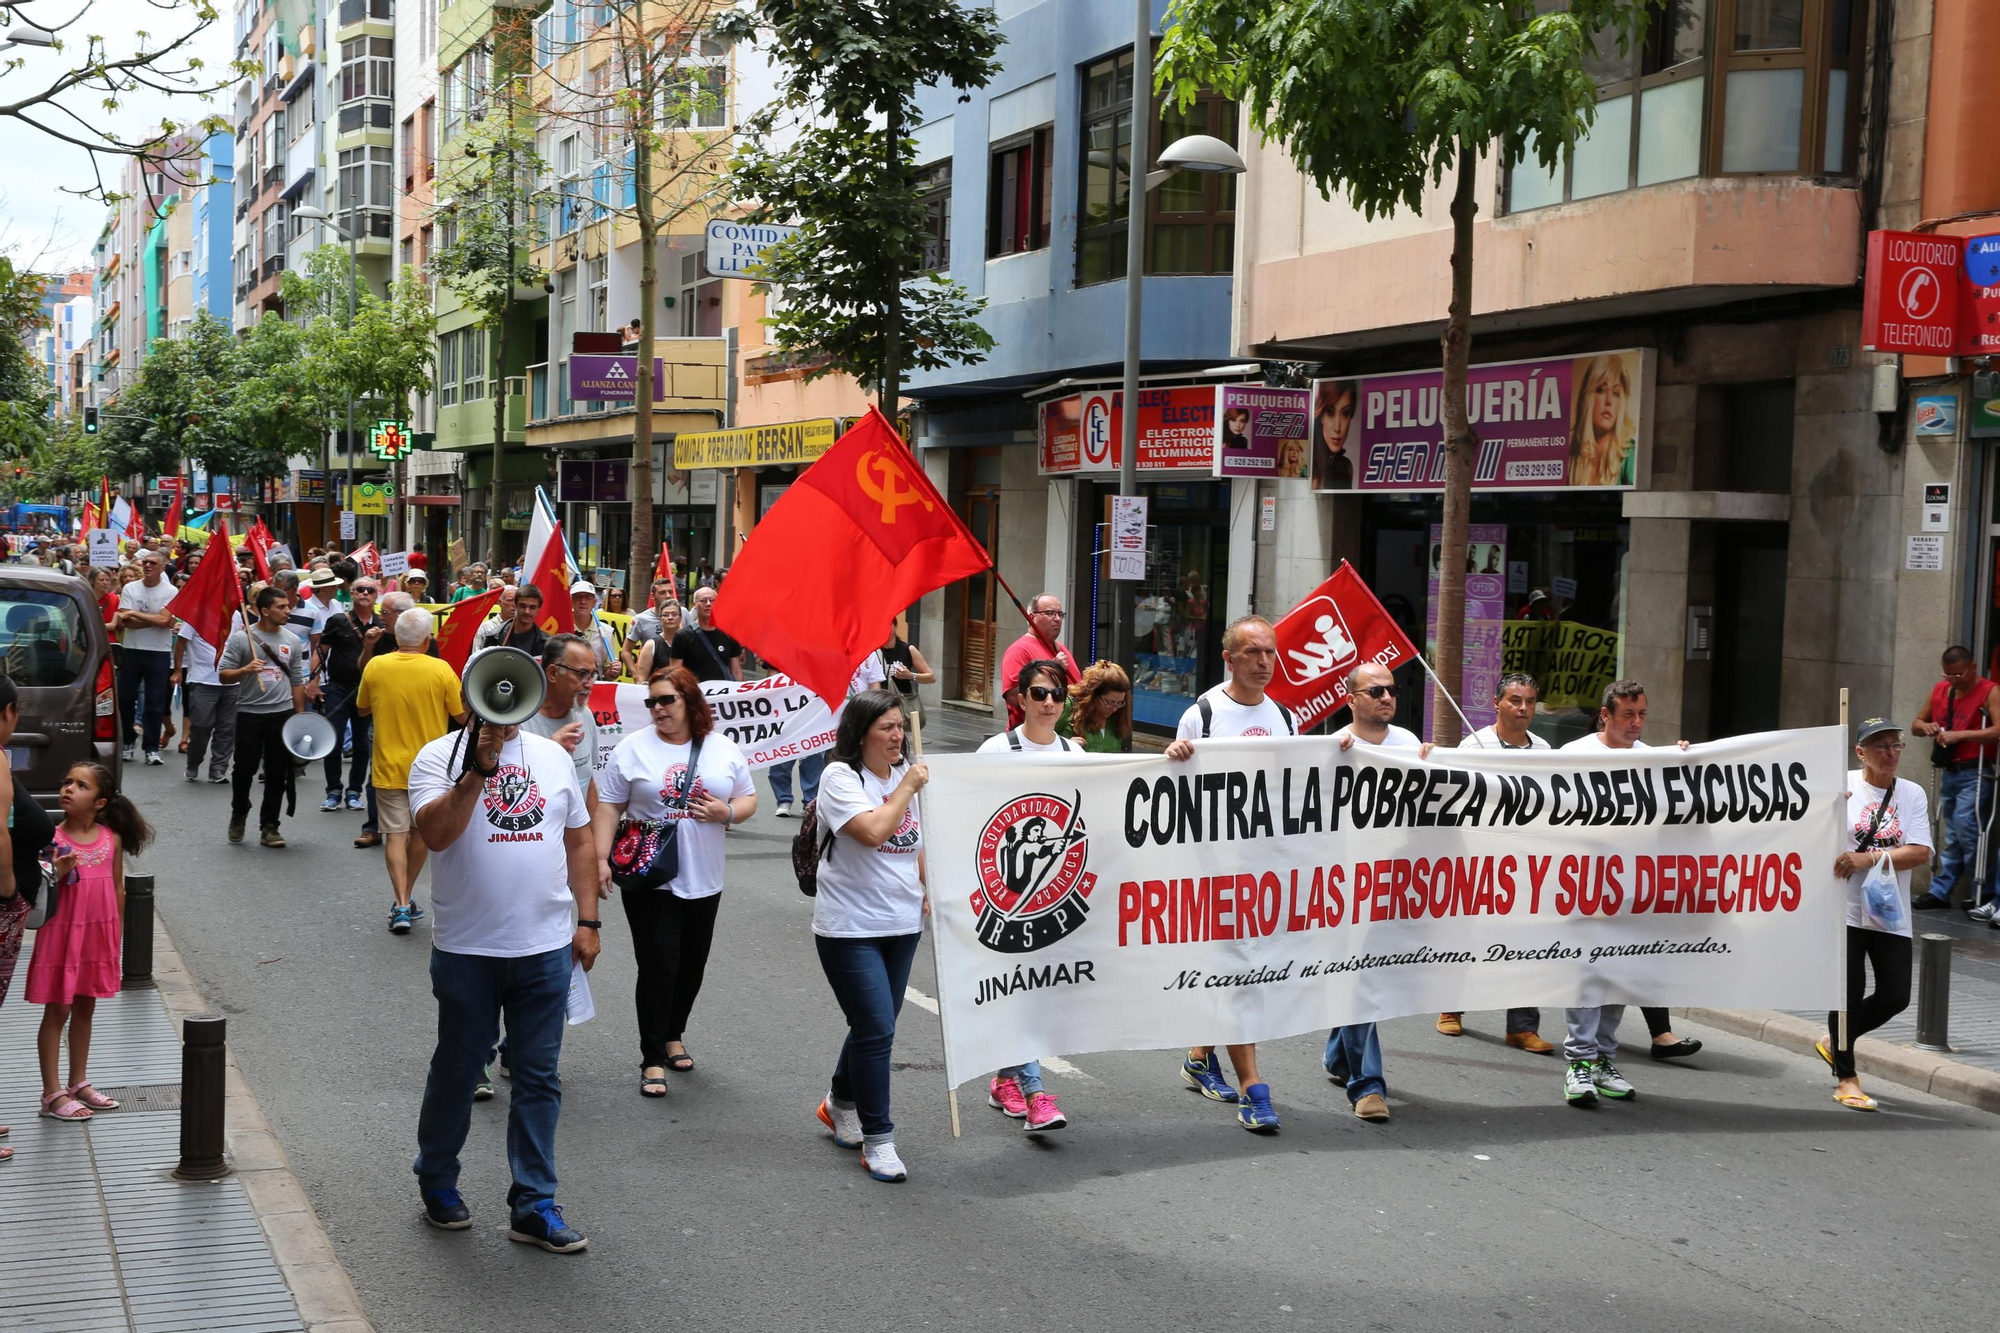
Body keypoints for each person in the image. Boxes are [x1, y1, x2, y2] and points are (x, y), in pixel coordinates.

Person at [407, 695, 599, 1252]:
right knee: (461, 1069)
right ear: (470, 698)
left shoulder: (553, 756)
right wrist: (478, 770)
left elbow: (579, 839)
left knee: (539, 1076)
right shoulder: (437, 757)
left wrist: (588, 919)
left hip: (544, 946)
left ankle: (534, 1204)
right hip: (468, 948)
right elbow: (436, 834)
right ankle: (438, 1180)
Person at [1162, 615, 1298, 1132]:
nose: (1264, 662)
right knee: (1242, 974)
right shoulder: (1202, 714)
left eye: (1270, 653)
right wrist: (1173, 760)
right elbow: (1173, 798)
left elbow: (1301, 787)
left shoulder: (1285, 718)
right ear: (1230, 658)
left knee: (1241, 969)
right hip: (1213, 874)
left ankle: (1200, 1055)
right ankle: (1253, 1088)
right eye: (1253, 653)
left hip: (1265, 872)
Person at [593, 663, 755, 1095]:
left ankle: (673, 1033)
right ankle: (651, 1057)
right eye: (651, 701)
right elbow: (609, 804)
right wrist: (600, 858)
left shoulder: (721, 747)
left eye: (667, 700)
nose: (658, 708)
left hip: (705, 874)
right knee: (659, 963)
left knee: (692, 964)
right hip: (650, 875)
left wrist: (730, 813)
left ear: (689, 701)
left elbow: (748, 796)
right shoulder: (632, 748)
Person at [1555, 678, 1698, 1105]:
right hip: (1582, 885)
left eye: (1641, 715)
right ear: (1606, 715)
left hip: (1634, 889)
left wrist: (1693, 763)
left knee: (1619, 973)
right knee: (1588, 973)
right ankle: (1579, 1063)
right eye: (1627, 715)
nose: (1636, 724)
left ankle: (1602, 1059)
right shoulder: (1573, 756)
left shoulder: (1654, 759)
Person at [809, 691, 926, 1182]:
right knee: (878, 1029)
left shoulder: (906, 776)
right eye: (887, 728)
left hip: (903, 926)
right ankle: (880, 1140)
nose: (897, 736)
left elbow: (918, 839)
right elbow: (875, 831)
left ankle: (839, 1100)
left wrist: (926, 886)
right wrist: (908, 786)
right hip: (850, 928)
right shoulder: (841, 778)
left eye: (901, 726)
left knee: (870, 1025)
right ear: (861, 734)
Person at [973, 659, 1080, 1133]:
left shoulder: (1073, 755)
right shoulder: (995, 750)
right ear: (1019, 699)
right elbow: (968, 815)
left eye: (1058, 695)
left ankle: (1004, 1079)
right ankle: (1036, 1093)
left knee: (1033, 994)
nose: (1050, 703)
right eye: (1039, 694)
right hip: (1006, 895)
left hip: (1058, 894)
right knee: (1023, 989)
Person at [1327, 661, 1435, 1122]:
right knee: (1361, 974)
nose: (1386, 697)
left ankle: (1338, 1054)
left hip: (1395, 882)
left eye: (1390, 690)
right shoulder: (1332, 747)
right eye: (1374, 691)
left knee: (1362, 974)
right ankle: (1367, 1084)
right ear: (1351, 699)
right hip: (1346, 883)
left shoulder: (1409, 745)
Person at [28, 762, 153, 1123]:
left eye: (80, 785)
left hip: (97, 936)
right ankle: (51, 1094)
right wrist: (56, 872)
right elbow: (35, 890)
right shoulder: (52, 839)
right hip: (62, 936)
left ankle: (77, 1081)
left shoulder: (109, 838)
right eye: (66, 782)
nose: (68, 789)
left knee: (85, 1008)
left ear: (100, 802)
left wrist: (118, 932)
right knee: (58, 1011)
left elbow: (116, 887)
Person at [1441, 671, 1556, 1054]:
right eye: (1515, 700)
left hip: (1526, 862)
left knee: (1526, 938)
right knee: (1467, 933)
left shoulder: (1544, 751)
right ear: (1497, 703)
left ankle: (1522, 1027)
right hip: (1479, 858)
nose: (1523, 708)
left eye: (1529, 702)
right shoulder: (1473, 747)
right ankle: (1451, 1006)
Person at [1823, 717, 1932, 1111]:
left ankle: (1833, 1040)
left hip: (1888, 911)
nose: (1889, 753)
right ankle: (1846, 1076)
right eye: (1880, 745)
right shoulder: (1842, 785)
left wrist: (1866, 858)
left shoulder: (1912, 793)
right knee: (1847, 996)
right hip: (1844, 909)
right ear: (1860, 752)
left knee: (1894, 995)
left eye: (1896, 745)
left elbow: (1919, 852)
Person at [358, 605, 466, 934]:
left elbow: (362, 710)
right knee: (419, 834)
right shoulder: (441, 669)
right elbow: (462, 717)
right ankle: (405, 900)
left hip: (388, 763)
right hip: (430, 769)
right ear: (426, 639)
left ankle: (402, 902)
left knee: (394, 834)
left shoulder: (376, 665)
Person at [1909, 646, 1998, 914]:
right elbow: (1916, 724)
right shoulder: (1940, 690)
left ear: (1972, 666)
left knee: (1967, 829)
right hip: (1949, 771)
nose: (1953, 680)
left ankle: (1984, 890)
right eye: (1948, 675)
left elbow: (1997, 730)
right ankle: (1943, 890)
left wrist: (1960, 735)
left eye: (1958, 674)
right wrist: (1926, 727)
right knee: (1953, 831)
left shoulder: (1989, 690)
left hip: (1975, 770)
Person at [219, 588, 310, 849]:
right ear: (265, 611)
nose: (288, 610)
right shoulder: (242, 639)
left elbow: (296, 680)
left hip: (281, 715)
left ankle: (270, 825)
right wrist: (245, 670)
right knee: (244, 769)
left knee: (277, 773)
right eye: (281, 607)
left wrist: (300, 717)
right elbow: (224, 674)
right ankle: (239, 811)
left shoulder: (292, 640)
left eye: (287, 606)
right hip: (249, 714)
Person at [772, 651, 885, 817]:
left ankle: (815, 801)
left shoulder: (869, 654)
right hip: (820, 712)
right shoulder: (825, 648)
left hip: (854, 716)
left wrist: (874, 710)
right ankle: (787, 799)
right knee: (796, 755)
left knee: (838, 758)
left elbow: (874, 684)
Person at [317, 575, 382, 815]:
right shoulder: (337, 621)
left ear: (376, 596)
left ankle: (354, 792)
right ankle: (333, 791)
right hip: (338, 688)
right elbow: (321, 652)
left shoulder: (383, 624)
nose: (365, 593)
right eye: (360, 590)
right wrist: (313, 681)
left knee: (362, 742)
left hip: (368, 691)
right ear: (352, 594)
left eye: (370, 590)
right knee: (332, 739)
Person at [522, 634, 601, 811]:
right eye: (582, 674)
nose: (589, 684)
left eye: (593, 675)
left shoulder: (585, 715)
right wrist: (549, 753)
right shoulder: (517, 722)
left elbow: (588, 784)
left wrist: (593, 837)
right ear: (552, 673)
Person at [115, 548, 178, 764]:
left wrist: (135, 614)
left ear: (162, 568)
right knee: (125, 699)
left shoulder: (170, 591)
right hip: (131, 650)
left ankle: (151, 748)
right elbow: (124, 621)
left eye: (153, 563)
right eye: (145, 563)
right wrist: (155, 620)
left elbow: (164, 621)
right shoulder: (130, 588)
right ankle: (127, 742)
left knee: (155, 702)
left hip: (158, 652)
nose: (148, 566)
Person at [175, 606, 243, 784]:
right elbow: (181, 642)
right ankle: (194, 761)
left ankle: (218, 768)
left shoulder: (235, 615)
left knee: (227, 728)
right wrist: (177, 671)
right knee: (201, 726)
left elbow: (240, 642)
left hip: (231, 680)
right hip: (203, 680)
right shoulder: (197, 613)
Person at [1000, 594, 1081, 728]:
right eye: (1050, 613)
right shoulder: (1018, 650)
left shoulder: (1062, 649)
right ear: (1032, 617)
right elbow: (1014, 696)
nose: (1057, 619)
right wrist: (1053, 670)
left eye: (1060, 614)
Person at [1567, 353, 1639, 487]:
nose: (1609, 401)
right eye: (1601, 390)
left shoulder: (1630, 456)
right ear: (1587, 396)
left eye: (1616, 393)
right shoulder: (1571, 456)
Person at [670, 586, 742, 682]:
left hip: (723, 694)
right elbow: (675, 672)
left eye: (712, 600)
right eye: (703, 601)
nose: (708, 604)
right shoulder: (682, 636)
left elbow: (736, 671)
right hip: (694, 693)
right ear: (694, 605)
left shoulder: (729, 634)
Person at [1062, 659, 1132, 753]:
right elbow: (1040, 741)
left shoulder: (1118, 717)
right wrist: (1064, 745)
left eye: (1119, 703)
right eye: (1109, 702)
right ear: (1093, 695)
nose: (1114, 708)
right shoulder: (1068, 705)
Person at [880, 612, 933, 723]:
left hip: (902, 704)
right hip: (879, 703)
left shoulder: (907, 649)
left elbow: (931, 677)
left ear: (894, 626)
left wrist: (910, 676)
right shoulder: (873, 651)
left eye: (887, 626)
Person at [625, 588, 682, 681]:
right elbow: (641, 680)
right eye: (666, 615)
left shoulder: (688, 643)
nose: (670, 618)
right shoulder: (651, 646)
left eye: (674, 614)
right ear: (660, 619)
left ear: (680, 617)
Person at [477, 583, 549, 657]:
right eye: (522, 606)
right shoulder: (494, 637)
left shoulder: (546, 642)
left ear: (539, 608)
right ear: (515, 605)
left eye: (532, 607)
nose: (527, 611)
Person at [1312, 379, 1358, 490]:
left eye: (1345, 413)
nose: (1337, 428)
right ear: (1321, 415)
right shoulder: (1310, 464)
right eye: (1330, 412)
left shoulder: (1345, 467)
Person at [569, 581, 619, 679]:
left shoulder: (607, 633)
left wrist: (613, 671)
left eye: (588, 597)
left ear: (594, 602)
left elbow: (607, 673)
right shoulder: (560, 628)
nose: (583, 601)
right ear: (571, 601)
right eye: (578, 597)